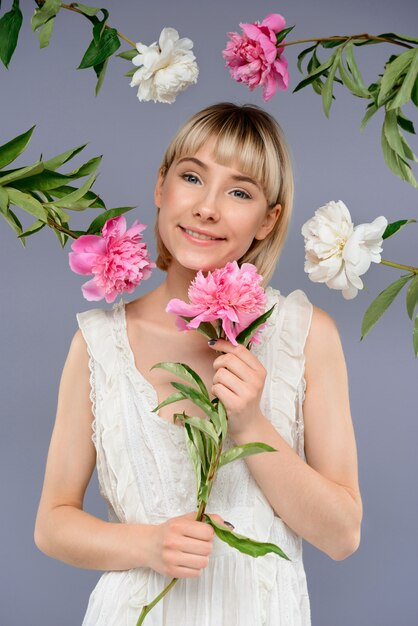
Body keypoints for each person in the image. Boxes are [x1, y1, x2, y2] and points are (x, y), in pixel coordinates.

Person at [34, 102, 363, 626]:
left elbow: (342, 535)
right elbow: (52, 525)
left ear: (267, 219)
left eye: (239, 191)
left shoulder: (305, 334)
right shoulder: (97, 343)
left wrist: (252, 423)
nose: (207, 207)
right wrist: (148, 544)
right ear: (161, 187)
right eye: (192, 177)